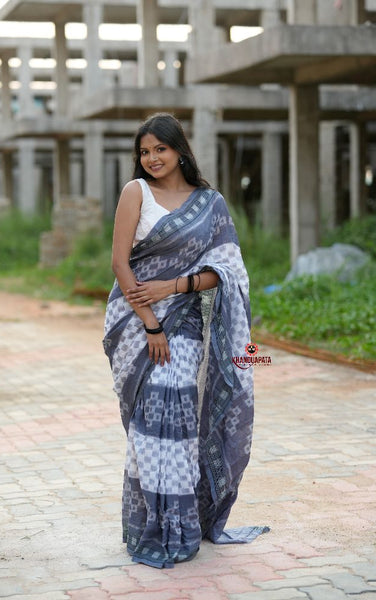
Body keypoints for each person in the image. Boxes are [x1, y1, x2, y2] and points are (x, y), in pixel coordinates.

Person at [103, 113, 268, 569]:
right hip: (137, 323)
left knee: (177, 422)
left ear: (179, 150)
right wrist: (151, 323)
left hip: (188, 322)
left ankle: (181, 523)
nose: (152, 158)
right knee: (148, 424)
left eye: (160, 148)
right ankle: (151, 524)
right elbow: (120, 263)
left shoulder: (210, 204)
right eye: (144, 151)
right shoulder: (135, 192)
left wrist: (173, 287)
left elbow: (226, 270)